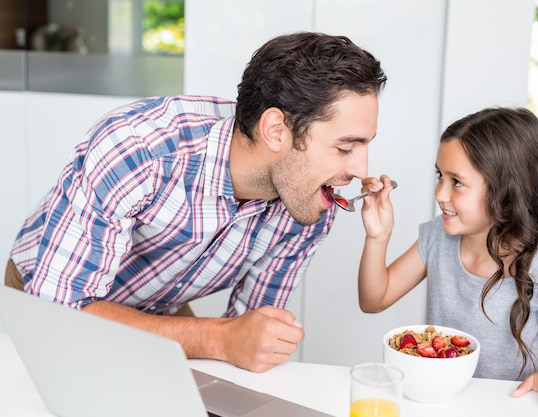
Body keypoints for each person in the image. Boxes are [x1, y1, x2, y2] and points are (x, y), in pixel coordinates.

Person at [5, 32, 387, 373]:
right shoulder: (141, 150)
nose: (360, 168)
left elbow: (249, 330)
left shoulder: (306, 202)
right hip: (49, 293)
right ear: (275, 130)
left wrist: (252, 340)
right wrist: (217, 339)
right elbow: (60, 310)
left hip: (158, 305)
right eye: (345, 147)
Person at [357, 107, 538, 415]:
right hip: (442, 406)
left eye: (456, 182)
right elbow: (373, 300)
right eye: (439, 176)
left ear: (505, 192)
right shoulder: (437, 238)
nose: (440, 193)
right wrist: (378, 237)